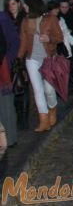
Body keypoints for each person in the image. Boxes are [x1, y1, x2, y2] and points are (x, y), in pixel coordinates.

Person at [17, 0, 63, 132]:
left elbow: (59, 37)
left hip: (48, 58)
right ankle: (43, 120)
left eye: (25, 4)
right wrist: (18, 58)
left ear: (32, 4)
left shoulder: (50, 18)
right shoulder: (25, 21)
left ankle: (52, 109)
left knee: (49, 90)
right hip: (32, 59)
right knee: (38, 90)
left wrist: (49, 39)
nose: (23, 6)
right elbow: (24, 42)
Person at [4, 0, 28, 130]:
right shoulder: (6, 19)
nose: (11, 7)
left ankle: (24, 118)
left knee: (22, 84)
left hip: (23, 55)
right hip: (11, 56)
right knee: (13, 85)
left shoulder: (24, 18)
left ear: (18, 3)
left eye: (13, 3)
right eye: (9, 4)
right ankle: (18, 115)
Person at [0, 11, 19, 145]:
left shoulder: (2, 18)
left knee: (5, 105)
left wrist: (9, 60)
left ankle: (10, 139)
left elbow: (14, 42)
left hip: (2, 66)